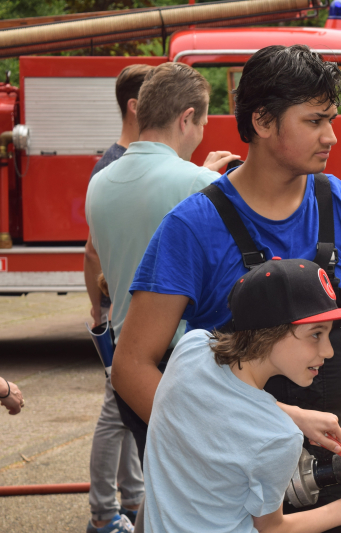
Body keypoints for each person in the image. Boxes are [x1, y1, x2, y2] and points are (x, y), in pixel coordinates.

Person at [112, 45, 341, 533]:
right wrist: (214, 439)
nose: (331, 137)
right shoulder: (192, 227)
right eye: (314, 121)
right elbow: (131, 365)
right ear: (263, 122)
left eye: (332, 119)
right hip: (235, 477)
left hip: (340, 450)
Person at [85, 62, 239, 533]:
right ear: (186, 118)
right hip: (183, 363)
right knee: (200, 492)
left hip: (127, 360)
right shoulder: (196, 185)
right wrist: (206, 177)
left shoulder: (99, 183)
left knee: (161, 478)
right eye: (204, 121)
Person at [144, 258, 341, 532]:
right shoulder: (279, 439)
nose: (329, 351)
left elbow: (220, 397)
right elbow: (271, 528)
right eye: (316, 334)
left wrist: (293, 414)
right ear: (270, 331)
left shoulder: (191, 349)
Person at [82, 63, 152, 533]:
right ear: (135, 106)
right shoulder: (116, 164)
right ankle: (103, 513)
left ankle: (130, 499)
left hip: (123, 309)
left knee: (124, 410)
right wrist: (98, 308)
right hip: (123, 312)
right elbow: (92, 251)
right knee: (115, 412)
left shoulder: (120, 159)